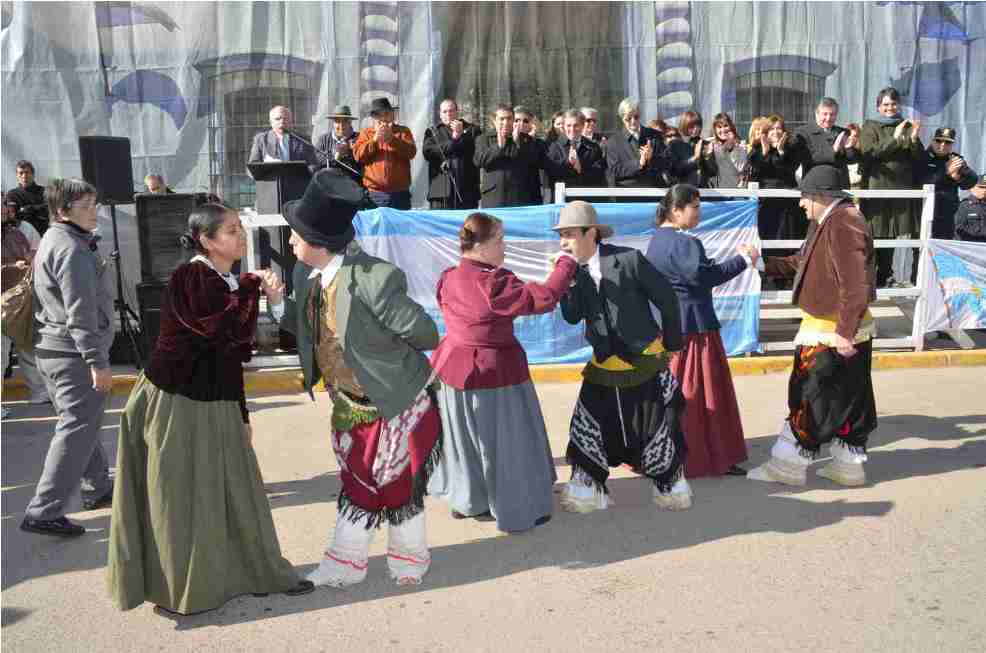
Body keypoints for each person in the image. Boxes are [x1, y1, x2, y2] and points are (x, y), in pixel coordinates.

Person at [107, 203, 313, 615]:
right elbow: (221, 331)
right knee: (182, 498)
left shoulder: (224, 281)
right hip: (177, 402)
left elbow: (230, 355)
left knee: (235, 490)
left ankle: (254, 573)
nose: (240, 237)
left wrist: (241, 412)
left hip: (214, 400)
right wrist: (254, 288)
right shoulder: (191, 277)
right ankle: (185, 588)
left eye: (240, 229)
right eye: (232, 230)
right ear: (206, 240)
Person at [270, 169, 442, 588]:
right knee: (358, 481)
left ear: (318, 244)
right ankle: (347, 562)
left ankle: (408, 559)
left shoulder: (374, 278)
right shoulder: (304, 276)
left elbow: (424, 333)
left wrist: (383, 336)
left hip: (396, 400)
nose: (290, 242)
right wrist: (277, 303)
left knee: (398, 484)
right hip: (349, 404)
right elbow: (310, 330)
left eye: (295, 235)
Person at [428, 213, 577, 532]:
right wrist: (565, 265)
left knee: (465, 440)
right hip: (493, 373)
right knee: (505, 441)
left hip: (452, 368)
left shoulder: (448, 276)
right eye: (499, 240)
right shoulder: (494, 281)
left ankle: (470, 500)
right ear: (480, 247)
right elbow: (544, 298)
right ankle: (514, 506)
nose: (504, 247)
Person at [554, 201, 691, 512]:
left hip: (644, 361)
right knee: (586, 425)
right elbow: (572, 317)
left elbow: (667, 299)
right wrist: (568, 283)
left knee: (655, 425)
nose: (563, 242)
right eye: (561, 235)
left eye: (569, 234)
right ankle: (587, 489)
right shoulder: (572, 272)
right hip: (603, 363)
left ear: (591, 233)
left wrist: (672, 344)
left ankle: (671, 486)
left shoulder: (628, 259)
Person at [748, 164, 877, 487]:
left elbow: (856, 282)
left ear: (821, 196)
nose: (801, 203)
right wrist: (763, 262)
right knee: (849, 397)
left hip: (832, 329)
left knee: (809, 395)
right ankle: (848, 467)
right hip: (839, 325)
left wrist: (844, 332)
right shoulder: (831, 219)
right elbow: (803, 262)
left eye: (805, 197)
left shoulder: (843, 221)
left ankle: (786, 467)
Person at [19, 178, 114, 537]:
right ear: (62, 212)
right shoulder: (72, 249)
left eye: (95, 204)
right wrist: (97, 361)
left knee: (81, 422)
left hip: (53, 349)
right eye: (86, 207)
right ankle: (43, 510)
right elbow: (81, 313)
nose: (95, 212)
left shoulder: (56, 239)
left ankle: (98, 487)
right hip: (72, 354)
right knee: (76, 427)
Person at [645, 184, 755, 477]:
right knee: (701, 396)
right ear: (676, 210)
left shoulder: (657, 240)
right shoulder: (685, 243)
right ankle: (702, 456)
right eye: (695, 206)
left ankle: (663, 453)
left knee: (671, 395)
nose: (699, 212)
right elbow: (704, 276)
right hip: (693, 331)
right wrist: (744, 259)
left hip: (668, 329)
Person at [859, 87, 924, 287]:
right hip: (877, 188)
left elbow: (919, 160)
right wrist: (895, 138)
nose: (890, 108)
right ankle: (871, 277)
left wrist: (913, 140)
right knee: (876, 234)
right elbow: (870, 153)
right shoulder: (870, 126)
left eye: (893, 104)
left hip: (901, 189)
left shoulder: (905, 125)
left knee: (893, 233)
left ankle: (886, 276)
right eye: (886, 104)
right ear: (879, 107)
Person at [1, 193, 49, 412]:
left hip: (19, 298)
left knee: (27, 345)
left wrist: (30, 258)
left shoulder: (16, 232)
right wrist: (11, 268)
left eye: (5, 204)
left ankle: (39, 393)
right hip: (4, 301)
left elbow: (36, 251)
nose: (6, 208)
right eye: (2, 204)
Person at [748, 113, 805, 246]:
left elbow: (789, 170)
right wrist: (764, 152)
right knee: (767, 238)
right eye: (771, 129)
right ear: (766, 132)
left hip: (787, 201)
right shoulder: (757, 149)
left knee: (787, 237)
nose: (775, 132)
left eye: (778, 128)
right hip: (766, 202)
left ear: (784, 131)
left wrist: (781, 152)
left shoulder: (791, 149)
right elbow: (755, 173)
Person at [474, 104, 543, 208]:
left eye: (509, 119)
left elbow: (533, 160)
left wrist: (518, 142)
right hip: (494, 197)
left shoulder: (525, 139)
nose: (505, 123)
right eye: (502, 119)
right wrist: (498, 147)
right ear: (494, 121)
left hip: (519, 197)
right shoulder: (484, 139)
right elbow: (479, 161)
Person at [354, 97, 417, 210]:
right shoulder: (366, 133)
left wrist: (392, 139)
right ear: (373, 118)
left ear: (393, 115)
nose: (383, 118)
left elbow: (411, 152)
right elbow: (358, 156)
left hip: (400, 194)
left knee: (400, 227)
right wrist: (374, 140)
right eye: (378, 115)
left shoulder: (403, 131)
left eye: (387, 114)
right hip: (375, 195)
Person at [918, 127, 978, 239]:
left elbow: (972, 182)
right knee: (923, 251)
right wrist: (946, 172)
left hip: (947, 213)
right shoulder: (922, 158)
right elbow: (921, 182)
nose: (942, 145)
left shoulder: (954, 159)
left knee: (945, 251)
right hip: (924, 212)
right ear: (932, 141)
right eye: (939, 141)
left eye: (948, 142)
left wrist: (958, 178)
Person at [607, 98, 674, 196]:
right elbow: (614, 170)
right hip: (628, 195)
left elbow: (667, 162)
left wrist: (652, 158)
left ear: (640, 115)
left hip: (654, 191)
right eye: (628, 119)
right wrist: (638, 163)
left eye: (636, 117)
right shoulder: (613, 142)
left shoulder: (655, 135)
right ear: (622, 119)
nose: (633, 121)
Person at [423, 98, 481, 209]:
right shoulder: (433, 132)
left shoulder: (473, 130)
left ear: (457, 112)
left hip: (467, 191)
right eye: (444, 111)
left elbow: (477, 152)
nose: (448, 114)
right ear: (440, 114)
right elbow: (428, 153)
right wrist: (454, 139)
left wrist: (461, 136)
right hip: (441, 193)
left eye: (451, 111)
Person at [795, 97, 860, 189]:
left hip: (840, 186)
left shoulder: (843, 132)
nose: (828, 118)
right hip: (815, 187)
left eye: (832, 114)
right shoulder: (803, 132)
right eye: (825, 114)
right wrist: (832, 151)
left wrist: (849, 148)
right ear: (817, 114)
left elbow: (851, 160)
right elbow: (808, 157)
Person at [547, 109, 607, 191]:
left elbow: (599, 172)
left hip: (586, 196)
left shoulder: (593, 147)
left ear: (582, 126)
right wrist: (569, 164)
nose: (572, 129)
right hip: (563, 197)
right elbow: (552, 172)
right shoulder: (554, 147)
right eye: (568, 125)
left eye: (576, 125)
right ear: (564, 126)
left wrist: (581, 168)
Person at [248, 105, 320, 173]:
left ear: (291, 121)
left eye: (285, 118)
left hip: (296, 183)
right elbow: (252, 167)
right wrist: (267, 168)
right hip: (271, 183)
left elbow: (314, 164)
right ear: (271, 122)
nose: (282, 122)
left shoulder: (303, 139)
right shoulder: (261, 140)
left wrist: (301, 172)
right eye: (278, 119)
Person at [700, 112, 749, 191]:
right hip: (716, 192)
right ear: (715, 129)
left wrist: (732, 149)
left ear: (731, 126)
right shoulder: (709, 143)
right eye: (719, 127)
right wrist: (709, 155)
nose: (723, 130)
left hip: (736, 191)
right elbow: (708, 170)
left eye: (725, 126)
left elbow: (740, 168)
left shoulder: (741, 145)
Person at [316, 104, 363, 185]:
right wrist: (336, 156)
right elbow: (318, 162)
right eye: (337, 121)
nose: (341, 125)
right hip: (330, 186)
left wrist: (350, 153)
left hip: (353, 186)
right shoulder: (323, 139)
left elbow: (364, 163)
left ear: (350, 122)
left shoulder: (360, 138)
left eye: (345, 121)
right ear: (333, 123)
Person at [8, 160, 49, 235]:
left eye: (27, 172)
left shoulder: (44, 191)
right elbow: (13, 216)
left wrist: (31, 209)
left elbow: (49, 209)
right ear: (17, 175)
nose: (24, 176)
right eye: (21, 173)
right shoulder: (12, 194)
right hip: (24, 235)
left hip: (44, 233)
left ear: (33, 174)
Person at [670, 110, 706, 186]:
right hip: (684, 189)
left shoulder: (703, 143)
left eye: (698, 126)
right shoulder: (675, 145)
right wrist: (694, 158)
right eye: (692, 126)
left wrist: (708, 156)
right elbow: (675, 170)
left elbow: (712, 171)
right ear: (684, 125)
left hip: (704, 190)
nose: (696, 129)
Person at [955, 174, 986, 243]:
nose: (984, 190)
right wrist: (981, 232)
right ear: (972, 188)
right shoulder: (965, 205)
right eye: (981, 187)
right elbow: (959, 228)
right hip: (970, 246)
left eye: (985, 188)